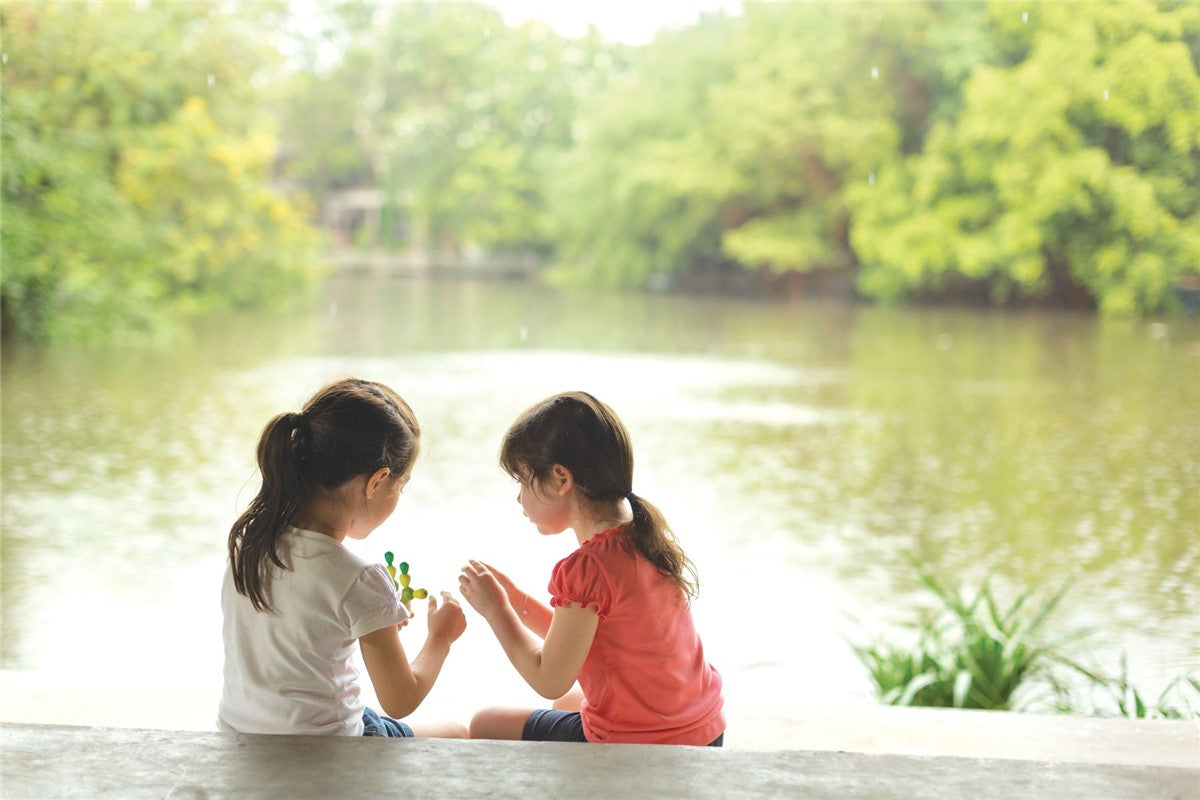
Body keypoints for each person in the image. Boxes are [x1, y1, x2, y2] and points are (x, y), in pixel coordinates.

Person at [458, 391, 725, 746]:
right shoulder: (643, 536)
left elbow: (549, 678)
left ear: (560, 479)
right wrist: (519, 601)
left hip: (643, 747)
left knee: (484, 723)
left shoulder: (587, 568)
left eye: (522, 481)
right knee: (569, 704)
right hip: (703, 732)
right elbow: (584, 640)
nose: (519, 497)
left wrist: (496, 610)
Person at [219, 377, 467, 738]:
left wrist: (374, 620)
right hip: (329, 753)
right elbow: (401, 698)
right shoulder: (358, 578)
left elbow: (295, 634)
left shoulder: (247, 545)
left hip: (241, 738)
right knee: (457, 731)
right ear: (378, 481)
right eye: (403, 484)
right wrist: (441, 637)